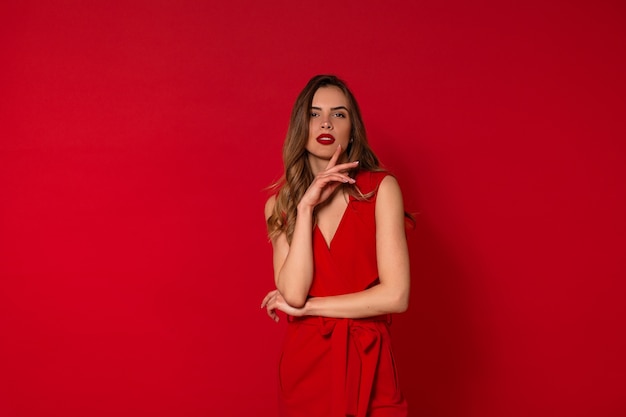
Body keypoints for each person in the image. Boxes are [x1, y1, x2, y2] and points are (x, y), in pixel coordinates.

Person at [260, 74, 411, 417]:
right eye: (314, 114)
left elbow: (396, 296)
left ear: (352, 129)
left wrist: (311, 309)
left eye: (339, 114)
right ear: (301, 126)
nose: (326, 122)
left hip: (370, 364)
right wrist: (305, 206)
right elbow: (295, 293)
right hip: (306, 368)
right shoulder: (280, 205)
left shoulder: (380, 190)